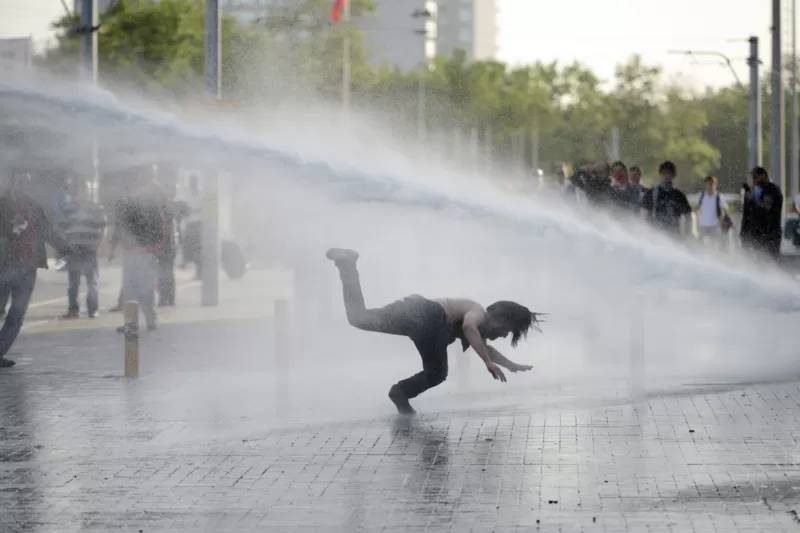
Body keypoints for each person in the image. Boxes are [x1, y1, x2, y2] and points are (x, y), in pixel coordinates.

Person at [326, 248, 543, 415]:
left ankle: (347, 264)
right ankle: (400, 393)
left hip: (413, 311)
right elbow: (469, 328)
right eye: (507, 330)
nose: (505, 335)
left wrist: (511, 366)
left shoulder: (477, 327)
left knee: (359, 318)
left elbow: (485, 347)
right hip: (429, 317)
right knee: (438, 373)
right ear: (501, 317)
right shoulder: (477, 312)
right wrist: (487, 363)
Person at [0, 173, 66, 367]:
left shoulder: (34, 207)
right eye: (18, 181)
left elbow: (47, 232)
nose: (22, 186)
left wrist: (65, 247)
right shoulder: (2, 206)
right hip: (5, 266)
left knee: (17, 315)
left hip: (28, 268)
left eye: (25, 183)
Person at [110, 170, 167, 331]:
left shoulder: (135, 203)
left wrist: (115, 247)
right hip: (140, 252)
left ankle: (136, 322)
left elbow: (121, 227)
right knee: (141, 288)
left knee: (134, 288)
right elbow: (121, 227)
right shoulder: (134, 203)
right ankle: (144, 320)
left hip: (139, 253)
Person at [58, 178, 107, 319]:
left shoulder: (96, 208)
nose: (83, 192)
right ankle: (73, 310)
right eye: (80, 189)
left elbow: (103, 227)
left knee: (92, 282)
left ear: (89, 191)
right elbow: (62, 228)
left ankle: (93, 309)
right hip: (73, 249)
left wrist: (98, 243)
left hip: (89, 249)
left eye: (86, 189)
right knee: (73, 282)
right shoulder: (68, 208)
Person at [741, 166, 783, 258]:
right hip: (753, 234)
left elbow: (766, 207)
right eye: (752, 178)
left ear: (763, 176)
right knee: (752, 261)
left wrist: (751, 195)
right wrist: (743, 232)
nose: (753, 180)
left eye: (755, 177)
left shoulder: (773, 189)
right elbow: (746, 213)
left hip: (770, 234)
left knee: (769, 261)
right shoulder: (751, 191)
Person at [640, 161, 692, 236]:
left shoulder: (679, 195)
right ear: (660, 174)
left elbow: (688, 216)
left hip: (674, 236)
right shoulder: (652, 193)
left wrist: (687, 234)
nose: (666, 176)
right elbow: (643, 214)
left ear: (674, 175)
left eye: (669, 173)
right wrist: (645, 233)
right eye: (664, 173)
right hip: (655, 236)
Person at [695, 175, 728, 249]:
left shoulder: (719, 196)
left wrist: (721, 222)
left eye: (712, 184)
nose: (710, 186)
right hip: (703, 225)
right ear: (705, 184)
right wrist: (696, 222)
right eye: (708, 184)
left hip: (715, 226)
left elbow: (723, 210)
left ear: (716, 184)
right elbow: (697, 209)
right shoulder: (701, 196)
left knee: (715, 246)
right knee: (701, 246)